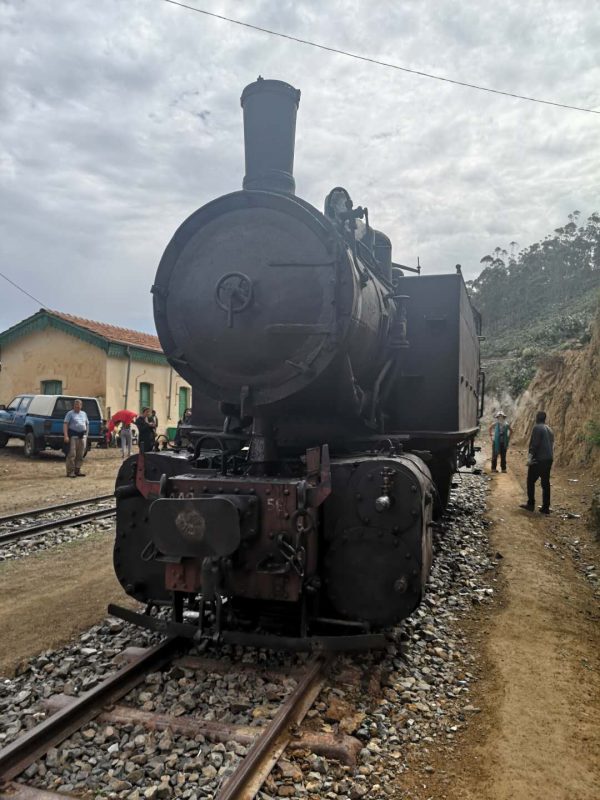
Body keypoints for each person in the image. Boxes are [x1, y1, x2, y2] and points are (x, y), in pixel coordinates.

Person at [520, 411, 554, 514]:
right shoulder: (550, 429)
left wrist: (529, 459)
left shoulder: (537, 428)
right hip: (549, 459)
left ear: (536, 418)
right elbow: (552, 445)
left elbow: (534, 445)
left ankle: (530, 504)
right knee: (545, 483)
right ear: (545, 418)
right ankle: (545, 507)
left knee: (530, 481)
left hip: (539, 459)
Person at [63, 398, 89, 478]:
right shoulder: (70, 414)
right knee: (72, 454)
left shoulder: (84, 414)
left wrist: (86, 435)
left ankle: (77, 470)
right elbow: (65, 424)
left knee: (80, 454)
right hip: (73, 436)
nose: (77, 406)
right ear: (73, 405)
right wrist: (66, 435)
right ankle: (70, 471)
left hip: (82, 437)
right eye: (76, 405)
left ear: (81, 406)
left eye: (79, 405)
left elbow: (87, 424)